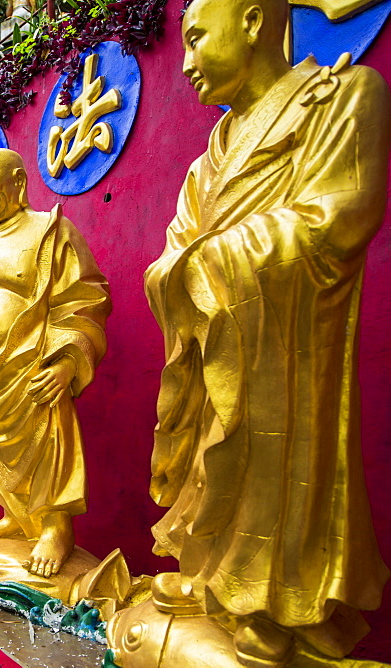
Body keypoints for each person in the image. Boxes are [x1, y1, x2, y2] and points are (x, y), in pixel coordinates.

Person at [139, 0, 391, 663]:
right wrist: (187, 274)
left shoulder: (341, 100)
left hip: (289, 345)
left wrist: (212, 265)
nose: (186, 62)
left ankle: (277, 608)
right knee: (214, 461)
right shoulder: (205, 165)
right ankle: (215, 581)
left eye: (197, 39)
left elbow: (341, 215)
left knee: (280, 463)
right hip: (215, 347)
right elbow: (171, 256)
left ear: (251, 21)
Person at [0, 148, 110, 578]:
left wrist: (67, 362)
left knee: (47, 437)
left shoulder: (49, 231)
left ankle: (57, 526)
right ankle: (15, 515)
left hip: (33, 360)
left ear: (17, 182)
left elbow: (86, 299)